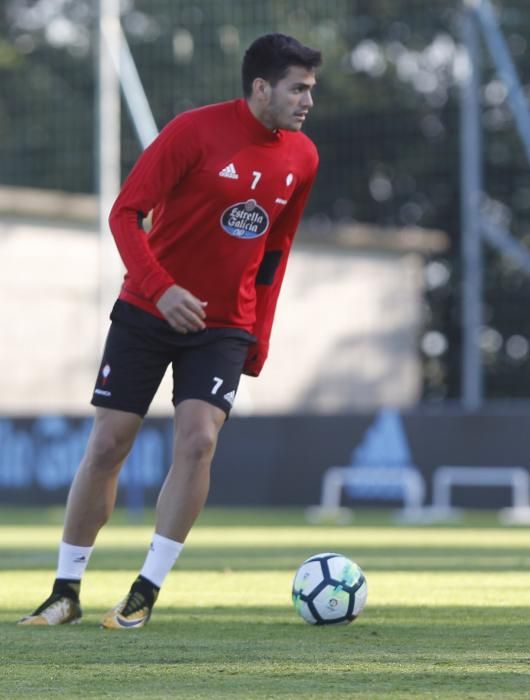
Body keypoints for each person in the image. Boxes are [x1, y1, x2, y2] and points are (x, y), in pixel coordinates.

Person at [18, 34, 322, 629]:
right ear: (261, 87)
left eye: (311, 89)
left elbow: (275, 252)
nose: (309, 100)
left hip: (224, 325)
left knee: (199, 440)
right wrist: (161, 289)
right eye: (299, 88)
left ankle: (145, 591)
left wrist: (258, 331)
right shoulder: (193, 132)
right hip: (147, 309)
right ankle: (65, 591)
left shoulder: (304, 157)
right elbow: (125, 213)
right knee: (108, 445)